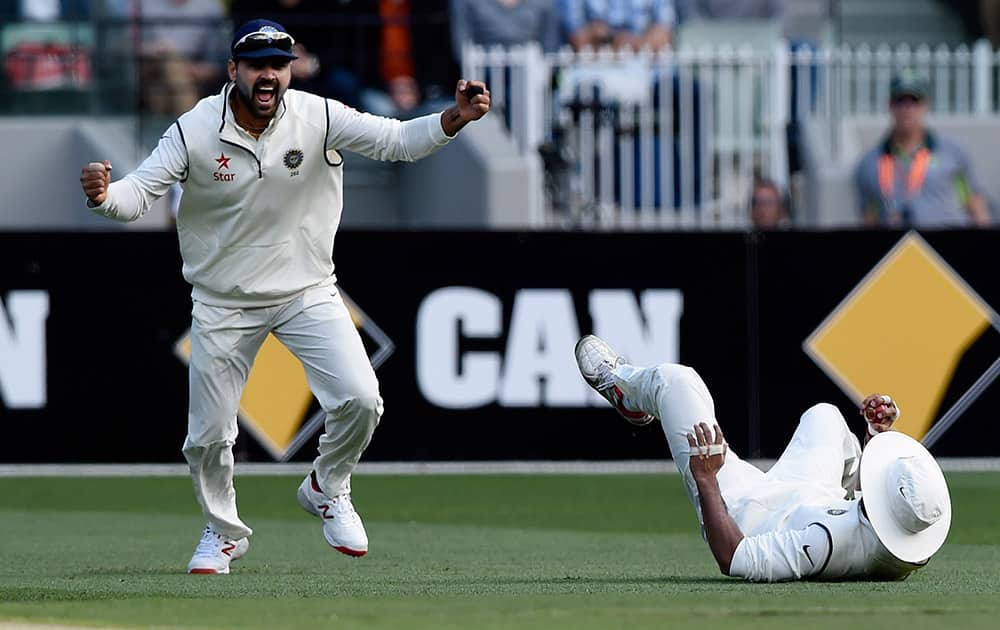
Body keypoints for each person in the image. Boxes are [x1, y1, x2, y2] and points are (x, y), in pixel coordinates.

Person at [79, 18, 490, 574]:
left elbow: (396, 141)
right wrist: (106, 197)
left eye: (279, 63)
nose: (268, 74)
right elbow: (138, 194)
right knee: (206, 438)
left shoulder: (318, 116)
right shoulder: (196, 127)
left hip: (306, 289)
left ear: (289, 70)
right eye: (256, 65)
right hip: (223, 299)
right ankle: (223, 533)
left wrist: (454, 118)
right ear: (233, 71)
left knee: (361, 398)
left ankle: (327, 484)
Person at [574, 334, 952, 581]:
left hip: (747, 511)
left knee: (676, 381)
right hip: (814, 496)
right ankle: (854, 454)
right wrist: (872, 438)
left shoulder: (826, 545)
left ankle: (622, 388)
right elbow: (898, 514)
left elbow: (734, 558)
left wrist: (707, 479)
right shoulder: (913, 540)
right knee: (826, 415)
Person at [855, 71, 991, 228]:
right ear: (890, 105)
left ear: (926, 105)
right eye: (900, 101)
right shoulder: (869, 163)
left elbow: (975, 203)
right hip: (901, 250)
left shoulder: (953, 153)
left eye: (914, 101)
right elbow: (868, 218)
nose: (907, 108)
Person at [450, 0, 562, 61]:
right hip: (482, 74)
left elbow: (550, 46)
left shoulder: (545, 3)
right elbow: (461, 44)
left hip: (530, 77)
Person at [559, 0, 676, 53]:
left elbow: (665, 35)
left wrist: (629, 42)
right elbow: (577, 39)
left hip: (647, 74)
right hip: (594, 75)